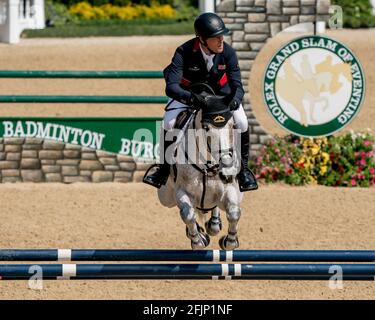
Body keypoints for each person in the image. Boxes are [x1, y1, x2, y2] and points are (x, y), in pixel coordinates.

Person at [143, 12, 258, 192]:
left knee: (242, 122)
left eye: (222, 36)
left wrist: (235, 100)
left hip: (221, 98)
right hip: (189, 96)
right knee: (168, 122)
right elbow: (171, 87)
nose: (221, 40)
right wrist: (191, 98)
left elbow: (237, 85)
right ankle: (163, 170)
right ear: (202, 39)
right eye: (216, 37)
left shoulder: (228, 53)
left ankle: (244, 171)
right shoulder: (184, 51)